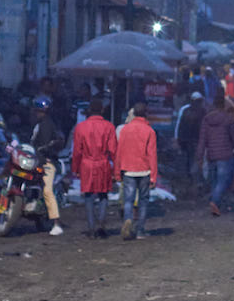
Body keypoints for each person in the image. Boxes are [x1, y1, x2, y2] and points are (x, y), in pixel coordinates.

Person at [71, 97, 117, 238]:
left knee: (89, 196)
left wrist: (75, 169)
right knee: (103, 194)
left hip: (86, 164)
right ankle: (101, 224)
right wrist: (116, 170)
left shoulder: (80, 127)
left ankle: (91, 228)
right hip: (103, 163)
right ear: (102, 110)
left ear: (89, 111)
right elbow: (114, 151)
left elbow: (77, 151)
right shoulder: (109, 126)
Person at [115, 100, 158, 241]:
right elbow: (152, 155)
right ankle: (140, 231)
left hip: (128, 170)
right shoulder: (149, 131)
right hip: (144, 170)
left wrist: (117, 172)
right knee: (143, 202)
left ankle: (128, 221)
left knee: (128, 200)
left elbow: (119, 152)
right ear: (145, 114)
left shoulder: (125, 130)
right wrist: (154, 176)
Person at [29, 95, 67, 237]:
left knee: (47, 190)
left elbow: (50, 145)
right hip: (36, 161)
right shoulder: (39, 125)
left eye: (39, 111)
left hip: (47, 163)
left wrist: (45, 152)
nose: (37, 113)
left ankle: (57, 223)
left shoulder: (48, 125)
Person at [196, 100, 234, 217]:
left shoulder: (206, 120)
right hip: (225, 154)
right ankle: (215, 202)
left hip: (211, 155)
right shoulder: (228, 119)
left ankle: (216, 205)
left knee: (214, 181)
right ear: (224, 106)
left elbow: (202, 139)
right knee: (223, 180)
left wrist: (199, 156)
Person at [176, 92, 206, 178]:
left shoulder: (188, 110)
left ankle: (190, 176)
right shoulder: (199, 111)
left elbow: (180, 126)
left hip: (189, 140)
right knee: (192, 158)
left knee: (191, 158)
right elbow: (180, 125)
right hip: (192, 140)